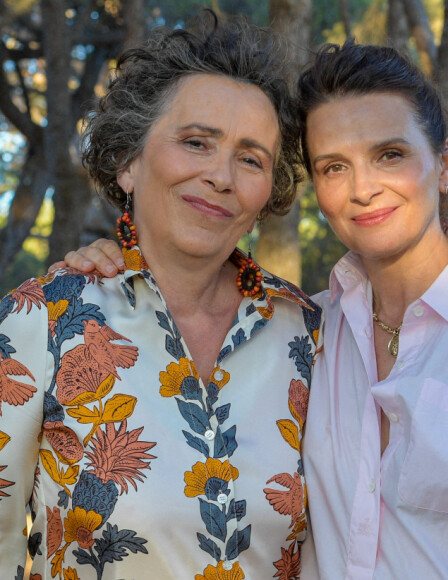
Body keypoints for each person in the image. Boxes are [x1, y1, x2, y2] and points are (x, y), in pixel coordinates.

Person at [55, 40, 448, 579]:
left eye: (390, 155)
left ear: (444, 164)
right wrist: (122, 257)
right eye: (333, 167)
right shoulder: (304, 329)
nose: (364, 188)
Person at [0, 15, 322, 580]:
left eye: (251, 159)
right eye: (196, 142)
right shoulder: (43, 320)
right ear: (128, 162)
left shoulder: (310, 335)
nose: (222, 176)